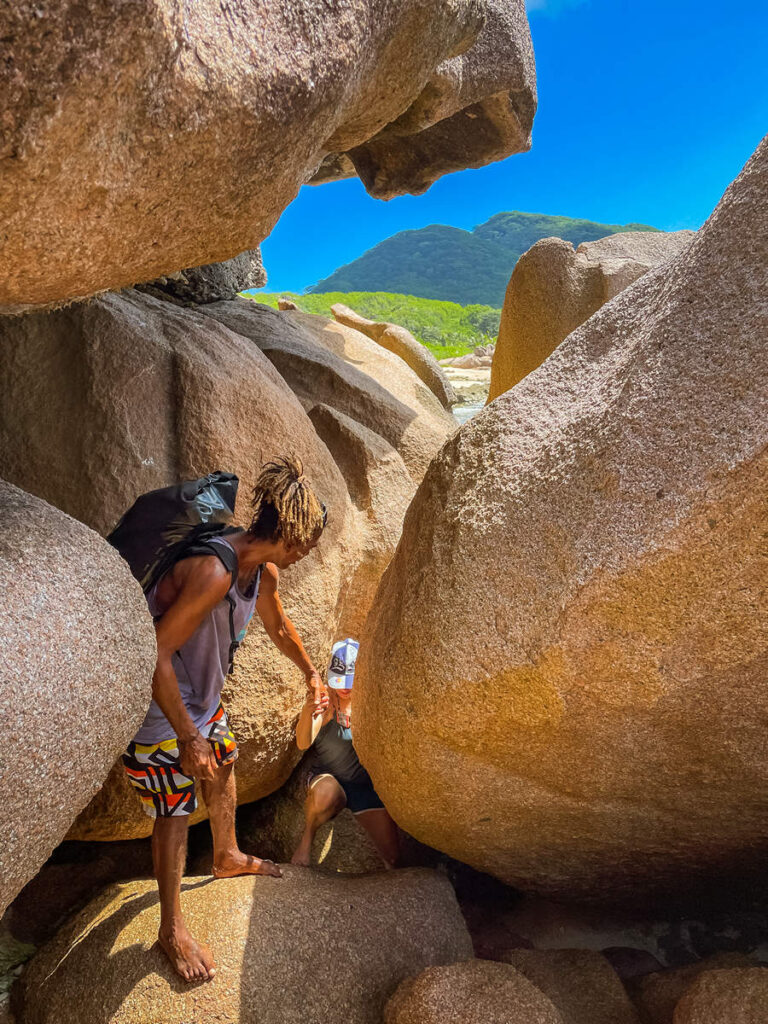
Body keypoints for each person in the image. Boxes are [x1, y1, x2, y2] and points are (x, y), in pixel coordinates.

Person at [122, 456, 330, 983]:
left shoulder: (261, 572)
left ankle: (226, 853)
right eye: (308, 543)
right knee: (173, 805)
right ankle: (171, 931)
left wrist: (310, 673)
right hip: (158, 701)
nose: (309, 554)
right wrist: (187, 736)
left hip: (199, 697)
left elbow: (279, 628)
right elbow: (154, 655)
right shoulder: (215, 571)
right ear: (291, 536)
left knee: (226, 758)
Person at [291, 638, 399, 869]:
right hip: (330, 777)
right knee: (326, 793)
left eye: (351, 680)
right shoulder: (326, 704)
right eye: (340, 680)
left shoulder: (370, 702)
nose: (345, 687)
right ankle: (306, 840)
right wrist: (308, 714)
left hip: (366, 787)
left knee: (393, 858)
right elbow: (302, 743)